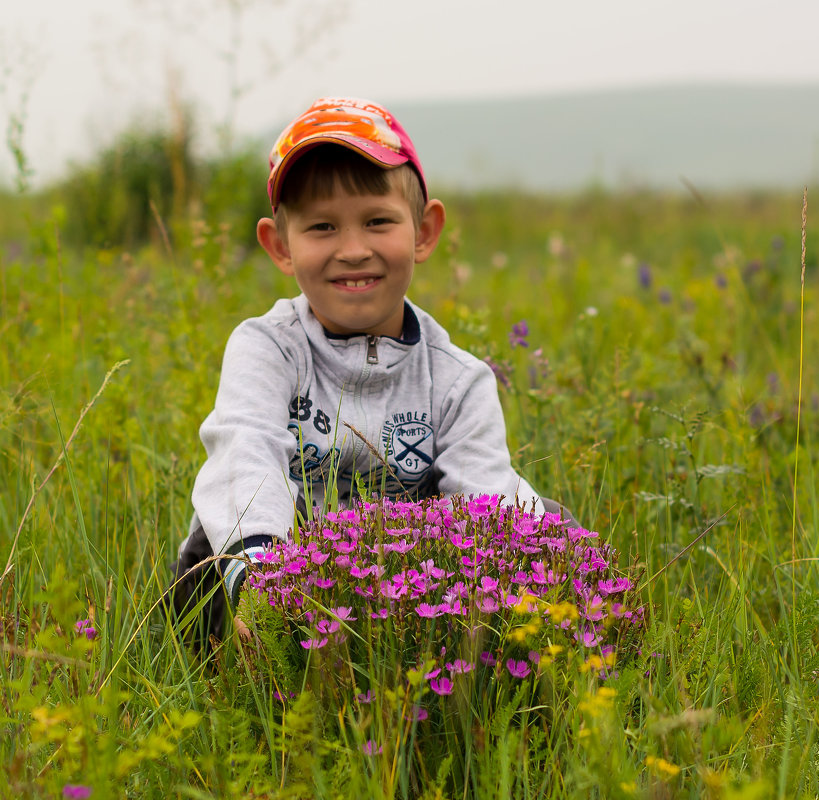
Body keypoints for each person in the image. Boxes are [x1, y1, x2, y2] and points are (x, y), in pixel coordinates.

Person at [168, 96, 572, 649]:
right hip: (281, 576)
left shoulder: (457, 378)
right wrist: (267, 576)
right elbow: (245, 451)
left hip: (408, 586)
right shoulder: (267, 347)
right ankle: (237, 661)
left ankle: (508, 659)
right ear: (280, 246)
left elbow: (486, 503)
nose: (353, 250)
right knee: (213, 543)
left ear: (424, 232)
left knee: (540, 520)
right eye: (322, 227)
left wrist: (498, 573)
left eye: (377, 221)